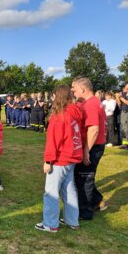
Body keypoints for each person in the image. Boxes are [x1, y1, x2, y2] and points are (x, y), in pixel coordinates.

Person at [35, 85, 83, 233]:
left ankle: (50, 224)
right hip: (72, 158)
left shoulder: (59, 116)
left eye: (54, 95)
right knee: (69, 189)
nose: (52, 98)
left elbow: (53, 141)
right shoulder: (75, 111)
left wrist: (48, 160)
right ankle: (72, 220)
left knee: (51, 192)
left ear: (59, 97)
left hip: (61, 159)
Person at [71, 77, 107, 220]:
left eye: (75, 89)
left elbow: (93, 130)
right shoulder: (91, 102)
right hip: (93, 145)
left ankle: (85, 212)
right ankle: (97, 201)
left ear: (83, 89)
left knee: (84, 178)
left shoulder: (91, 104)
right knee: (83, 175)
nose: (73, 92)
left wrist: (86, 150)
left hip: (92, 146)